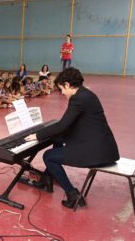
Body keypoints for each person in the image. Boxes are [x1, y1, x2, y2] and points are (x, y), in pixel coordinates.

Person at [25, 67, 119, 209]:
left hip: (97, 152)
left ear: (68, 84)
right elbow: (71, 124)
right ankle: (47, 178)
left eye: (61, 89)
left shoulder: (78, 99)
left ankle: (72, 193)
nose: (62, 93)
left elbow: (62, 125)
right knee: (57, 140)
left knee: (48, 156)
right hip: (102, 144)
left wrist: (37, 135)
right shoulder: (86, 94)